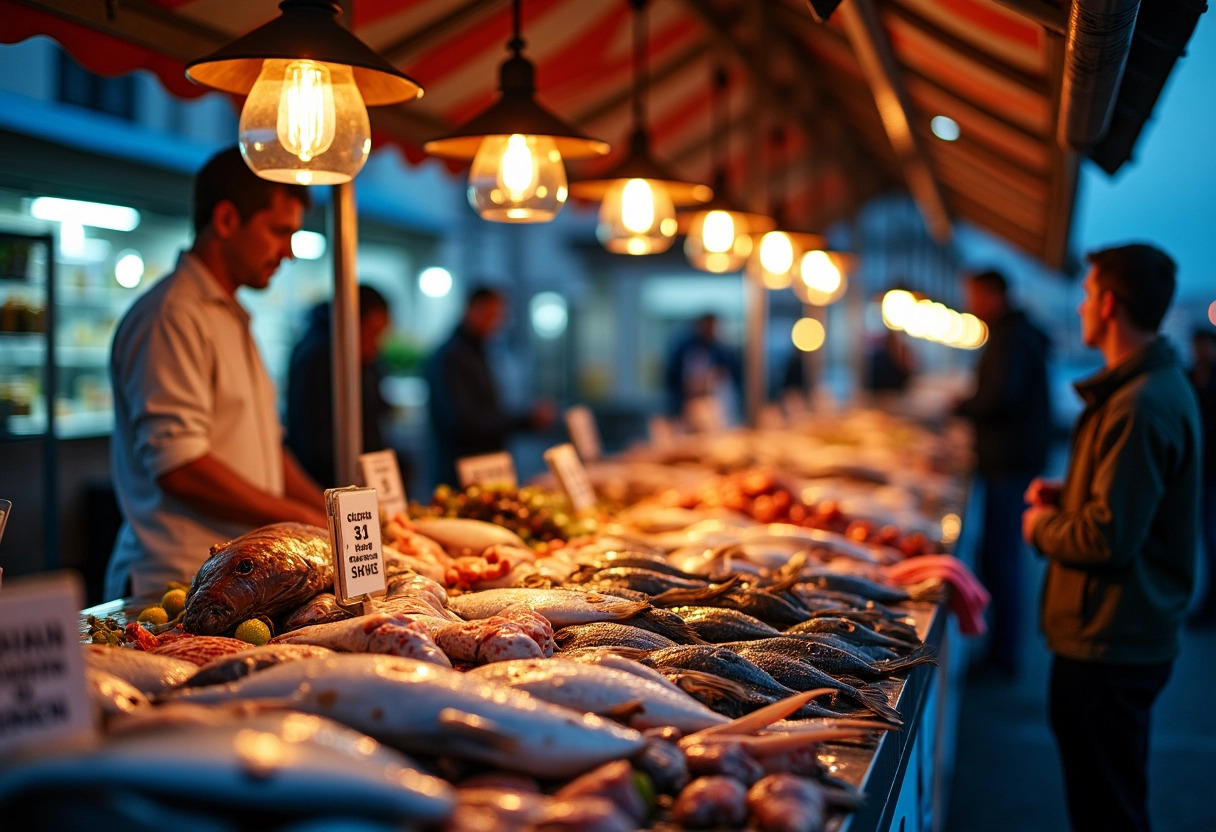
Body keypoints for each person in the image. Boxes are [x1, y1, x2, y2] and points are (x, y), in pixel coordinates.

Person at [1022, 243, 1201, 832]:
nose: (1078, 309)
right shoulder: (1147, 388)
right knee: (1109, 793)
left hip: (1111, 639)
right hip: (1119, 632)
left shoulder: (1141, 404)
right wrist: (1068, 497)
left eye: (1085, 294)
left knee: (1108, 809)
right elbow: (1124, 506)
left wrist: (1041, 526)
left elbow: (1109, 538)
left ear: (1109, 303)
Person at [105, 147, 327, 599]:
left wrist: (333, 511)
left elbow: (269, 450)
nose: (288, 253)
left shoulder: (232, 316)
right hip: (176, 582)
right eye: (279, 232)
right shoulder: (172, 314)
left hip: (234, 579)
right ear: (226, 220)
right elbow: (181, 467)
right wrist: (299, 520)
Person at [953, 269, 1053, 677]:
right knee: (1002, 556)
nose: (970, 303)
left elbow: (1001, 398)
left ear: (993, 294)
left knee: (1002, 557)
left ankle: (1003, 654)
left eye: (974, 295)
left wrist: (963, 406)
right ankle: (1001, 647)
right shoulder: (1016, 333)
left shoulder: (1008, 337)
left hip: (1008, 463)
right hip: (1014, 459)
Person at [424, 286, 554, 487]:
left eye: (501, 316)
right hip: (459, 473)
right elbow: (461, 421)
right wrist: (525, 419)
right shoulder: (451, 356)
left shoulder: (479, 351)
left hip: (486, 469)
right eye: (492, 314)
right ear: (472, 310)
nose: (498, 322)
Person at [285, 285, 395, 488]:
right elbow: (317, 439)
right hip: (326, 484)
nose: (378, 345)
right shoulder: (323, 357)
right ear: (352, 324)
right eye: (374, 333)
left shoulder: (359, 361)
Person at [1187, 328, 1216, 624]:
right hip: (1195, 471)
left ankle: (1209, 604)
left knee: (1210, 538)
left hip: (1210, 471)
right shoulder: (1189, 376)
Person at [665, 313, 740, 418]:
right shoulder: (685, 348)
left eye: (712, 326)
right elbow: (672, 377)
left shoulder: (721, 350)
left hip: (714, 404)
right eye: (706, 325)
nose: (709, 329)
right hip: (685, 403)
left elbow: (730, 375)